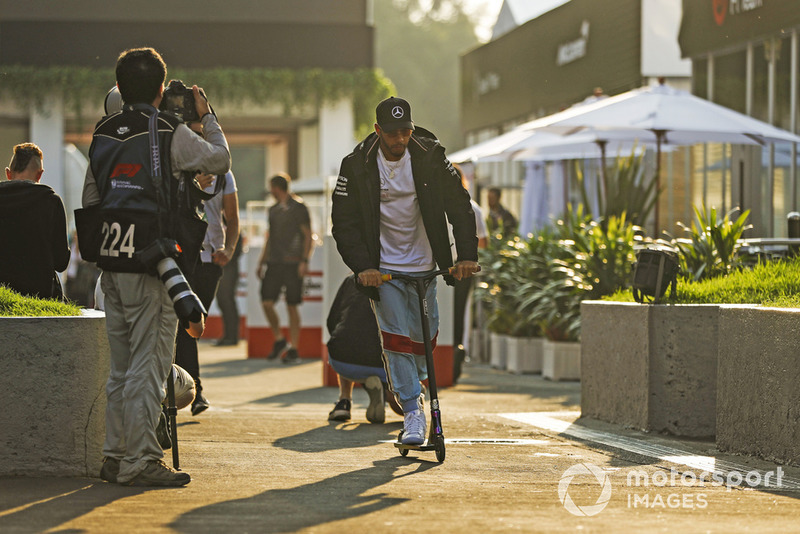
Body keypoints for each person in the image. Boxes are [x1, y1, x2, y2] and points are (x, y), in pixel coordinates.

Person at [81, 47, 230, 486]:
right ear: (162, 88)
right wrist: (209, 117)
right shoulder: (168, 129)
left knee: (122, 366)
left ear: (119, 86)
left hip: (112, 263)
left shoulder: (103, 131)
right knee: (151, 363)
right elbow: (218, 161)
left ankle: (114, 455)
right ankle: (143, 460)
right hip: (155, 263)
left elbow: (92, 199)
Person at [331, 96, 479, 445]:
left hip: (426, 266)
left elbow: (459, 205)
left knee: (424, 341)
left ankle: (413, 389)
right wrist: (363, 267)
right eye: (393, 133)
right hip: (385, 271)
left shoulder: (430, 156)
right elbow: (344, 222)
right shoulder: (356, 164)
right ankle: (412, 413)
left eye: (406, 132)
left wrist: (465, 256)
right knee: (396, 339)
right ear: (378, 130)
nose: (400, 140)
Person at [175, 170, 239, 416]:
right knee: (182, 326)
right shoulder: (177, 167)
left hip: (210, 261)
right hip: (180, 255)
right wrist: (192, 187)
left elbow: (232, 217)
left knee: (193, 327)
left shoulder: (223, 174)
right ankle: (194, 390)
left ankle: (187, 389)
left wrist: (229, 249)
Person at [326, 275, 403, 423]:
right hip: (386, 365)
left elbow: (332, 321)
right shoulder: (400, 280)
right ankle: (389, 392)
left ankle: (344, 401)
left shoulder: (352, 280)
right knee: (407, 407)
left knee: (346, 338)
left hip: (344, 361)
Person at [0, 143, 70, 299]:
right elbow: (61, 262)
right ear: (40, 175)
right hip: (40, 295)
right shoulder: (51, 202)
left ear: (8, 173)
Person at [257, 174, 313, 364]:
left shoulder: (299, 207)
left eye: (271, 188)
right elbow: (269, 237)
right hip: (275, 262)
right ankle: (280, 340)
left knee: (292, 304)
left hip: (293, 262)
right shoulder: (273, 210)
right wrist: (261, 261)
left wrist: (304, 260)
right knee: (266, 302)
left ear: (276, 188)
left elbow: (308, 235)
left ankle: (295, 348)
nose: (270, 192)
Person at [451, 164, 488, 383]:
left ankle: (452, 353)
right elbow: (483, 243)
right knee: (459, 312)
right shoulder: (473, 208)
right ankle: (456, 350)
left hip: (442, 267)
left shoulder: (436, 206)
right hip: (464, 268)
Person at [213, 228, 244, 347]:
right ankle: (228, 335)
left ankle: (232, 336)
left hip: (229, 270)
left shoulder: (233, 230)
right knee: (223, 302)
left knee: (227, 301)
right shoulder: (220, 227)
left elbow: (237, 251)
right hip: (223, 269)